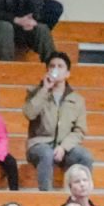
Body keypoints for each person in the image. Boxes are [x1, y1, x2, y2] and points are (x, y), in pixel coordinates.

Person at [23, 53, 93, 192]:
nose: (55, 69)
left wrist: (63, 147)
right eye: (52, 66)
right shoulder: (35, 92)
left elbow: (79, 131)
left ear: (67, 73)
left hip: (64, 147)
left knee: (85, 156)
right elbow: (29, 113)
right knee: (46, 154)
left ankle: (81, 196)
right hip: (39, 144)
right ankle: (46, 196)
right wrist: (44, 89)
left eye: (60, 66)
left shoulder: (77, 99)